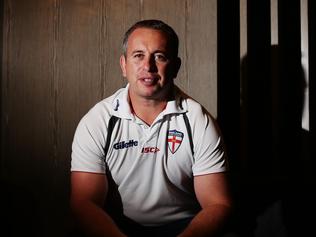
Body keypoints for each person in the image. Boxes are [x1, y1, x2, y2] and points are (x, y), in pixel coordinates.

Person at [70, 19, 232, 237]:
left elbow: (217, 203)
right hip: (116, 227)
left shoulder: (197, 120)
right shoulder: (97, 120)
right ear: (123, 65)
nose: (148, 66)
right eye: (138, 55)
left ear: (175, 67)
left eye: (159, 56)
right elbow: (84, 203)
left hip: (184, 227)